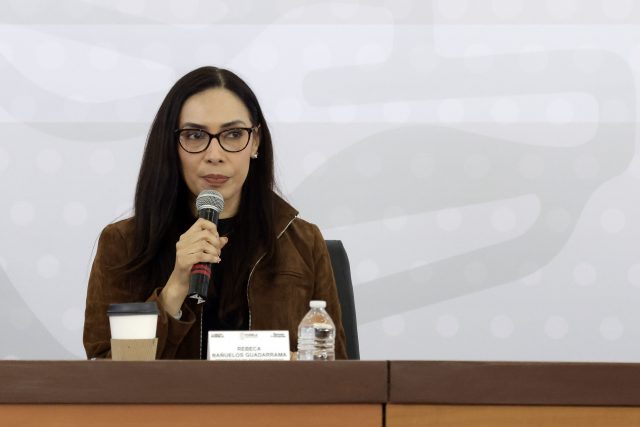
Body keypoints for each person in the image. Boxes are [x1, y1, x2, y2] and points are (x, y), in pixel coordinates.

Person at [83, 66, 347, 359]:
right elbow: (104, 377)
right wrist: (175, 288)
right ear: (173, 145)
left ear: (255, 142)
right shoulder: (123, 243)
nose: (214, 154)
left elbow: (341, 373)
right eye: (195, 135)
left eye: (233, 134)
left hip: (269, 406)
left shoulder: (303, 242)